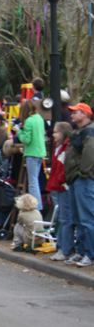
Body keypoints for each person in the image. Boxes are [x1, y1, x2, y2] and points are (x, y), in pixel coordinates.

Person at [62, 103, 94, 267]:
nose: (72, 115)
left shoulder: (88, 131)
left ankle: (89, 253)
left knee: (86, 218)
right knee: (78, 218)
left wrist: (82, 173)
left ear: (85, 114)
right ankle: (81, 252)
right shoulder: (79, 131)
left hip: (82, 179)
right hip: (76, 179)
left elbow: (89, 155)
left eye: (75, 113)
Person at [46, 122, 77, 261]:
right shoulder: (58, 147)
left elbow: (66, 166)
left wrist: (59, 179)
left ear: (63, 133)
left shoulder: (65, 147)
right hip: (59, 185)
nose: (53, 135)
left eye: (56, 132)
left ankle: (65, 249)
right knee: (62, 217)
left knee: (65, 218)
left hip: (63, 185)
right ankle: (62, 246)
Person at [16, 99, 46, 210]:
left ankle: (37, 207)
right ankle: (39, 206)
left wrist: (18, 131)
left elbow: (26, 140)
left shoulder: (29, 121)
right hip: (40, 152)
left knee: (32, 182)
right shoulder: (39, 118)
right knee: (35, 180)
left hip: (32, 152)